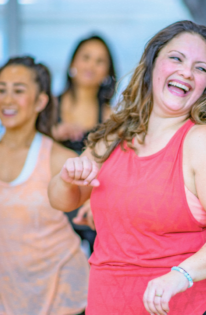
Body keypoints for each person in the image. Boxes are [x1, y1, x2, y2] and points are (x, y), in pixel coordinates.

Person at [48, 21, 206, 315]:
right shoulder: (116, 134)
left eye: (200, 68)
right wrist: (68, 177)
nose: (186, 72)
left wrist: (181, 275)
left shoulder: (202, 140)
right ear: (153, 63)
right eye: (176, 58)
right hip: (107, 303)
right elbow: (60, 200)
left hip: (181, 306)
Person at [0, 57, 89, 315]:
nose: (7, 100)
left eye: (18, 91)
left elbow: (103, 200)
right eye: (1, 90)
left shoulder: (59, 159)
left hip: (64, 293)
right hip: (11, 297)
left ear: (40, 101)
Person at [53, 35, 117, 254]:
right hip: (51, 198)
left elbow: (115, 167)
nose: (91, 65)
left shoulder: (111, 116)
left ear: (108, 72)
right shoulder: (48, 108)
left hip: (90, 205)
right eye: (86, 57)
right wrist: (52, 133)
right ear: (73, 63)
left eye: (100, 61)